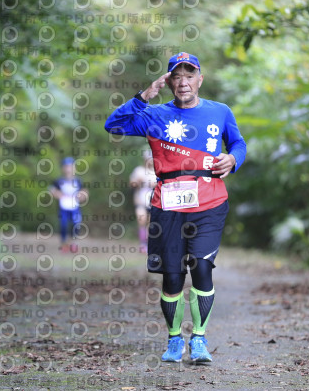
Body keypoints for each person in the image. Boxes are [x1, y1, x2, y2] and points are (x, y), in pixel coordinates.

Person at [104, 52, 246, 363]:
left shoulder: (220, 111)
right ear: (168, 82)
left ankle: (199, 339)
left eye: (189, 75)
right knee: (172, 277)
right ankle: (173, 340)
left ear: (200, 79)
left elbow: (238, 143)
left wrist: (233, 159)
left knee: (202, 267)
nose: (183, 82)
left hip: (210, 201)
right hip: (167, 205)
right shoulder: (154, 114)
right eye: (177, 76)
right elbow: (113, 125)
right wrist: (144, 96)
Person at [50, 157, 88, 253]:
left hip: (75, 207)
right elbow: (52, 190)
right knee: (63, 224)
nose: (68, 169)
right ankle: (64, 244)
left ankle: (73, 243)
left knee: (76, 225)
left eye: (70, 167)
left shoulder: (78, 181)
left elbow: (84, 191)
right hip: (63, 207)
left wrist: (82, 196)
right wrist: (58, 194)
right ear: (63, 168)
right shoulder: (58, 181)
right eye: (66, 167)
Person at [129, 149, 157, 253]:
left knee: (150, 223)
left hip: (153, 202)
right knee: (142, 220)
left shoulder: (156, 172)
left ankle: (149, 244)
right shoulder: (139, 171)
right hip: (140, 202)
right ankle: (142, 243)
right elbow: (132, 184)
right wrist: (137, 182)